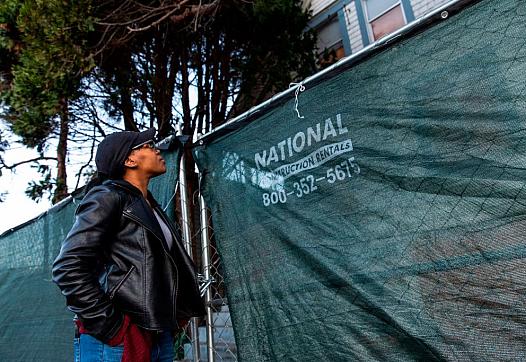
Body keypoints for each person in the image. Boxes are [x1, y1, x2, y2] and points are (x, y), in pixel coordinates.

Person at [52, 128, 205, 362]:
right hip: (119, 336)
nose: (158, 150)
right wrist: (113, 327)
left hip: (155, 332)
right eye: (149, 145)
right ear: (129, 159)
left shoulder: (149, 206)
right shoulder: (107, 196)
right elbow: (68, 266)